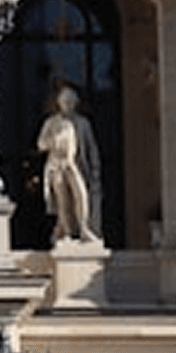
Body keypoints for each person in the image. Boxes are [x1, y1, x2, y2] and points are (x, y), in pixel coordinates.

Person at [36, 86, 101, 243]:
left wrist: (95, 168)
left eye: (71, 101)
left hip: (74, 165)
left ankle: (85, 228)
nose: (68, 104)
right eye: (65, 101)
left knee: (81, 195)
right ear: (59, 103)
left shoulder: (83, 123)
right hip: (57, 165)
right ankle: (66, 231)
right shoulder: (52, 122)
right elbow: (40, 144)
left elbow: (91, 147)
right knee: (62, 200)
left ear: (76, 103)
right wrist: (53, 141)